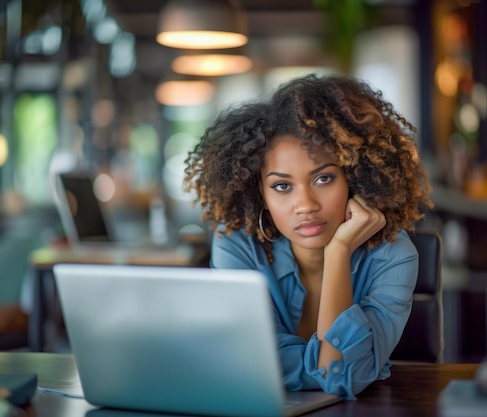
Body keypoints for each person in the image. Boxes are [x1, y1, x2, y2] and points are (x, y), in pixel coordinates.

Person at [183, 73, 433, 399]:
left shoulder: (393, 254)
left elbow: (337, 377)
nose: (305, 205)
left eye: (324, 179)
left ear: (354, 178)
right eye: (282, 186)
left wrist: (339, 251)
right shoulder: (237, 245)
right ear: (260, 192)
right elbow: (246, 364)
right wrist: (334, 363)